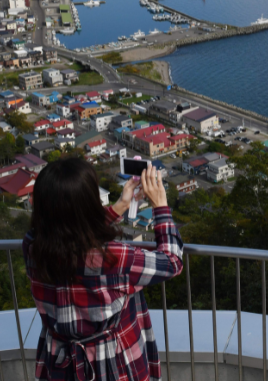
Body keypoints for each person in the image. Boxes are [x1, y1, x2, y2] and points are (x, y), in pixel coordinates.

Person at [23, 157, 183, 381]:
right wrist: (161, 208)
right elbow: (172, 262)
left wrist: (120, 207)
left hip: (60, 363)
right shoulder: (113, 257)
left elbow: (70, 233)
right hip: (112, 363)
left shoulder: (32, 246)